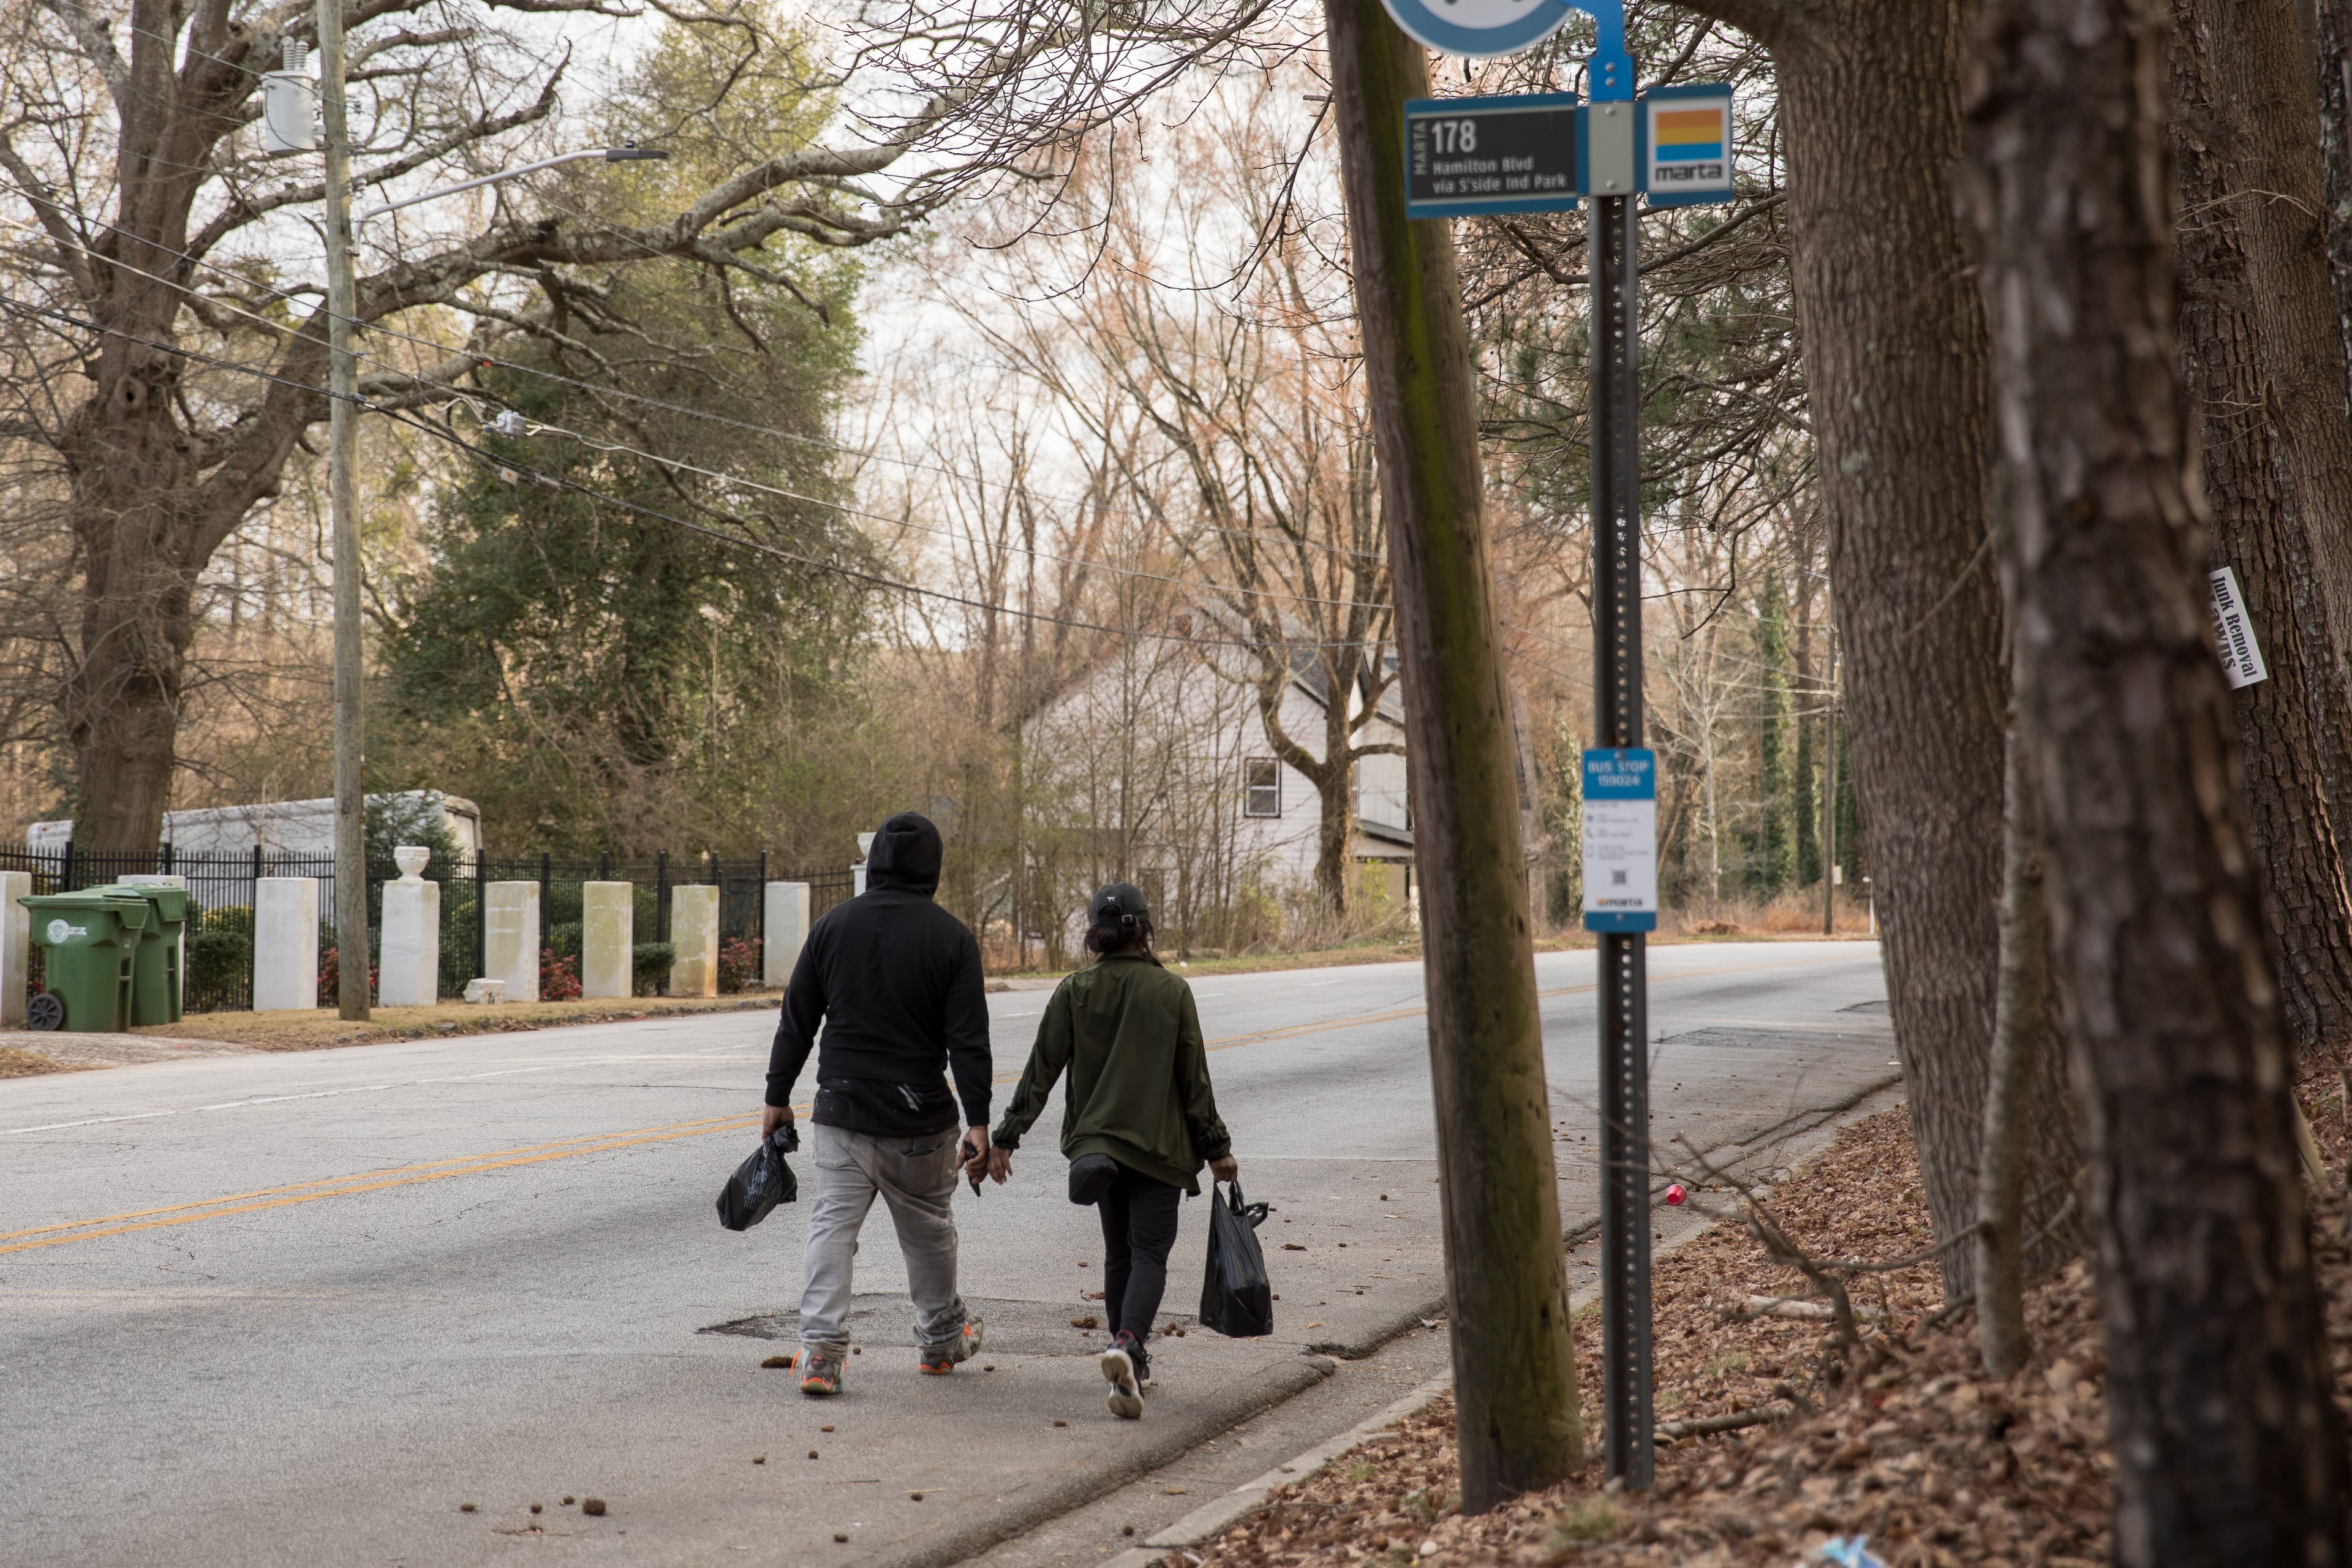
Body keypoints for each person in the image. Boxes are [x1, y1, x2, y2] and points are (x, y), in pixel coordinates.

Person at [987, 883, 1236, 1420]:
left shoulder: (1074, 989)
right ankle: (1127, 1343)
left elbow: (1041, 1071)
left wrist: (1007, 1137)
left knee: (1118, 1254)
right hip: (1159, 1150)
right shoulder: (1171, 992)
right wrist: (1217, 1150)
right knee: (1149, 1253)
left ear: (1094, 935)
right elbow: (1194, 1082)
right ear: (1144, 931)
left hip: (1098, 1151)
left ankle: (1129, 1369)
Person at [763, 812, 992, 1397]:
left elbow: (798, 1020)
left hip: (842, 1112)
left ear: (874, 866)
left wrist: (777, 1097)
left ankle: (820, 1353)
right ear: (933, 870)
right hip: (920, 1122)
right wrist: (980, 1121)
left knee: (832, 1228)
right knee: (928, 1230)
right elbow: (968, 1041)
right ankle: (941, 1343)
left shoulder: (833, 926)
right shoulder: (952, 939)